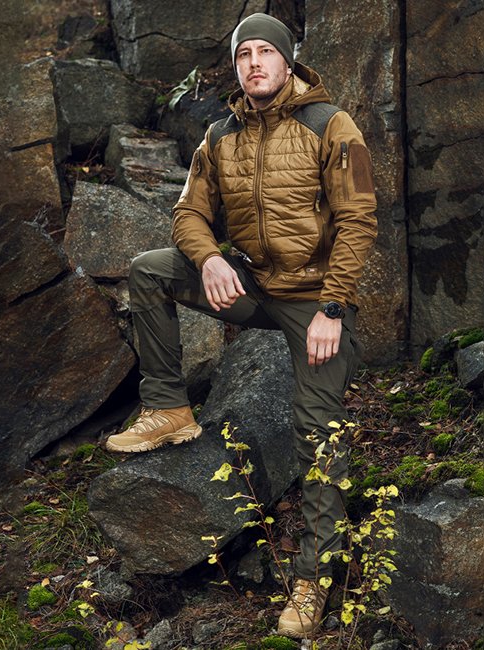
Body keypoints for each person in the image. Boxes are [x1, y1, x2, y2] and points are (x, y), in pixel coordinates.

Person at [105, 12, 377, 639]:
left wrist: (333, 307)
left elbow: (359, 220)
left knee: (319, 431)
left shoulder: (330, 124)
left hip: (315, 300)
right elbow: (188, 214)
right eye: (243, 53)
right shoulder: (220, 135)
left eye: (265, 51)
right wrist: (210, 259)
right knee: (150, 271)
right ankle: (168, 407)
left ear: (287, 59)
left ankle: (313, 579)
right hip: (252, 285)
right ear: (235, 65)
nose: (254, 62)